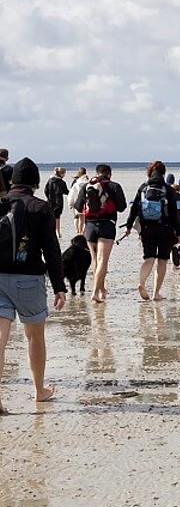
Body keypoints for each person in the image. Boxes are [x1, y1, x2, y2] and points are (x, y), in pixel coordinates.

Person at [0, 157, 66, 413]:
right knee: (34, 336)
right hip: (29, 279)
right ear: (36, 183)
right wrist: (60, 285)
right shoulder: (40, 207)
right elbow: (51, 249)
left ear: (12, 180)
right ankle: (39, 390)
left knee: (1, 338)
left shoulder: (2, 204)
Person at [124, 161, 180, 300]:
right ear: (163, 173)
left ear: (150, 172)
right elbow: (174, 213)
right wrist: (179, 233)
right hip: (165, 229)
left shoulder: (143, 187)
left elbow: (134, 209)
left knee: (148, 258)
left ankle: (142, 282)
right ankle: (156, 293)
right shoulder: (168, 189)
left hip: (146, 229)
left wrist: (128, 226)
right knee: (162, 261)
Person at [73, 164, 127, 303]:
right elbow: (122, 207)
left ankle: (102, 289)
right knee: (103, 260)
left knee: (96, 260)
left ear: (96, 173)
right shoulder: (114, 186)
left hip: (90, 226)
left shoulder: (87, 186)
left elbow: (78, 206)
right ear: (110, 174)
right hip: (107, 226)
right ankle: (95, 292)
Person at [44, 167, 70, 238]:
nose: (64, 175)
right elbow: (66, 191)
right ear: (61, 174)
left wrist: (48, 197)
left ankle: (50, 231)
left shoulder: (50, 180)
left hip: (50, 201)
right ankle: (58, 232)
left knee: (50, 216)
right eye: (64, 174)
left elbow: (45, 190)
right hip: (58, 201)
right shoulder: (61, 182)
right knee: (57, 217)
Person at [66, 167, 89, 235]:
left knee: (79, 217)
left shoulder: (76, 183)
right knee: (85, 219)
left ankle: (78, 231)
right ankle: (83, 232)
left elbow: (71, 194)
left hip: (77, 202)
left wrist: (70, 203)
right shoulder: (88, 183)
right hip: (86, 203)